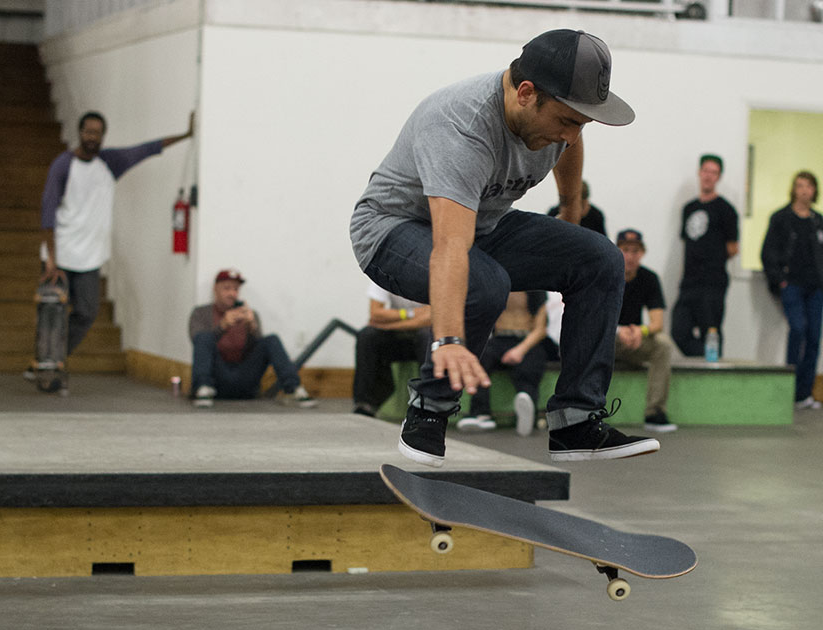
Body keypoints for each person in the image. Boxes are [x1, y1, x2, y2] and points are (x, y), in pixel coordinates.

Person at [349, 28, 659, 467]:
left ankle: (574, 421)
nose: (570, 137)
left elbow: (572, 143)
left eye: (580, 123)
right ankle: (429, 410)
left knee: (600, 258)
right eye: (566, 121)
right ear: (527, 93)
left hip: (482, 225)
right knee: (485, 283)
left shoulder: (558, 122)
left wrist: (571, 205)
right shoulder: (460, 124)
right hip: (391, 231)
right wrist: (449, 341)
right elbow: (451, 246)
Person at [39, 110, 194, 361]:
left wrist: (186, 135)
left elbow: (146, 149)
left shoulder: (110, 163)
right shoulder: (63, 165)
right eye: (88, 131)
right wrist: (51, 259)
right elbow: (48, 212)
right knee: (52, 312)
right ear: (80, 133)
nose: (92, 137)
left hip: (90, 257)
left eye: (97, 133)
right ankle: (44, 362)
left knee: (87, 313)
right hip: (60, 254)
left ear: (103, 136)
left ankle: (52, 359)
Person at [188, 270, 317, 408]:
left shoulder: (250, 314)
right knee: (203, 336)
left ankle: (293, 389)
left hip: (245, 376)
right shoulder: (200, 313)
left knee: (271, 340)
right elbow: (197, 340)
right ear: (215, 289)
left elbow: (261, 349)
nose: (232, 293)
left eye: (236, 289)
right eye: (226, 288)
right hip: (217, 377)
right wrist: (222, 326)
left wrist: (252, 326)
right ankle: (202, 388)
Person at [761, 170, 823, 410]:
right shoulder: (781, 218)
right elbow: (768, 252)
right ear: (794, 189)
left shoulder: (818, 221)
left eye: (808, 186)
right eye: (800, 185)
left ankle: (804, 394)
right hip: (792, 285)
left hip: (816, 288)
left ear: (814, 190)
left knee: (813, 338)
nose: (804, 190)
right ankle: (790, 389)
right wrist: (780, 280)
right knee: (798, 329)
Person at [671, 154, 739, 358]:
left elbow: (733, 248)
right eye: (706, 171)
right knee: (678, 331)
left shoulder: (726, 210)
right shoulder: (689, 208)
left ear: (719, 177)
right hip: (689, 282)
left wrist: (712, 259)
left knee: (710, 332)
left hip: (713, 282)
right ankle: (707, 360)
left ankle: (712, 374)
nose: (709, 176)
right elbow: (688, 242)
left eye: (714, 172)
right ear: (699, 173)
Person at [455, 291, 548, 437]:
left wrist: (519, 350)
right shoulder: (497, 288)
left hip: (526, 340)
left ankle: (527, 414)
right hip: (499, 339)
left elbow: (540, 330)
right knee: (480, 358)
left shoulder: (536, 291)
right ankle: (480, 414)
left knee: (528, 368)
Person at [613, 230, 677, 432]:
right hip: (608, 338)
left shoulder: (649, 278)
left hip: (634, 341)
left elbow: (657, 322)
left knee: (663, 345)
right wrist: (618, 331)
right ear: (617, 251)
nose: (630, 256)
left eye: (635, 251)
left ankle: (655, 412)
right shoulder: (606, 274)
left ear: (642, 253)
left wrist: (641, 331)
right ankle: (588, 409)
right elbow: (593, 314)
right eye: (625, 250)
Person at [352, 282, 431, 417]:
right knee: (367, 335)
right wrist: (411, 313)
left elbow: (432, 318)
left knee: (426, 335)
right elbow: (376, 314)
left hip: (427, 339)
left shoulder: (436, 273)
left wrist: (389, 325)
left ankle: (430, 402)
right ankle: (365, 403)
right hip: (400, 339)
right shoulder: (385, 271)